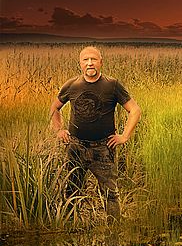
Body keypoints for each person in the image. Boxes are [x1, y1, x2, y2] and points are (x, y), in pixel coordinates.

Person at [50, 46, 142, 220]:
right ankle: (71, 226)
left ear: (101, 62)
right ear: (80, 63)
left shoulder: (112, 85)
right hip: (76, 146)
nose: (90, 63)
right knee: (71, 191)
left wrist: (124, 136)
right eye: (86, 60)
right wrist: (59, 130)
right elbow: (54, 107)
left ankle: (114, 229)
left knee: (110, 194)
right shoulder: (71, 85)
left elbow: (135, 110)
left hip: (104, 147)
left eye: (94, 59)